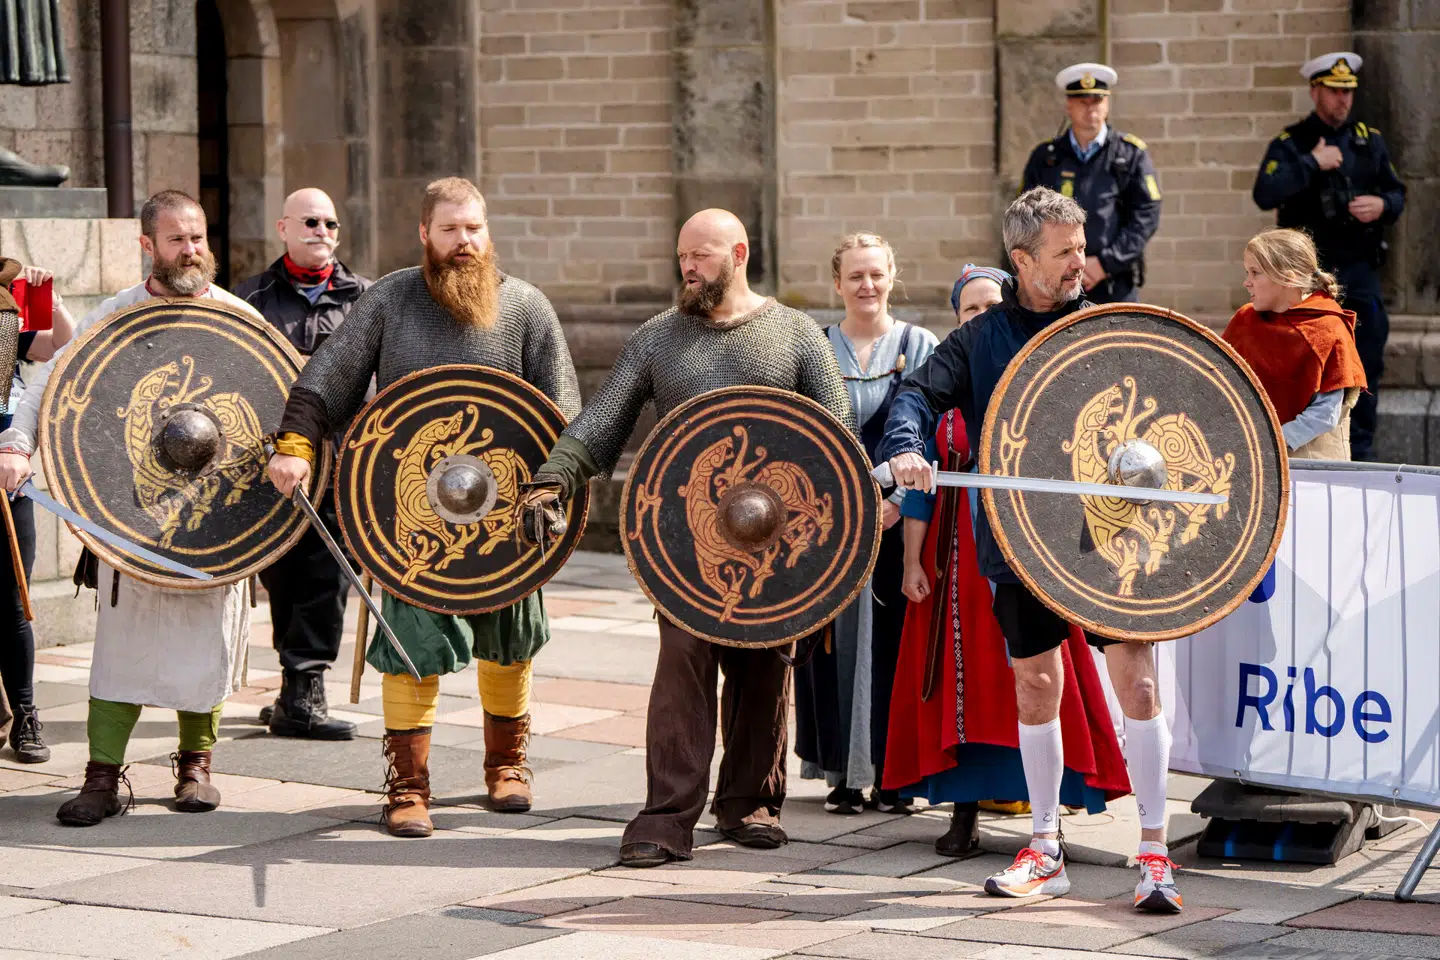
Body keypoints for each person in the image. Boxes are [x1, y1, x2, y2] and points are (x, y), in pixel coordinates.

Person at [879, 188, 1182, 912]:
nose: (1081, 263)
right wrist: (907, 450)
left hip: (1111, 535)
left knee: (1136, 682)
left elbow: (1173, 401)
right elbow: (916, 396)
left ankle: (1154, 852)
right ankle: (1046, 847)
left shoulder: (1109, 324)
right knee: (1037, 684)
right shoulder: (983, 338)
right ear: (1022, 260)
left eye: (1082, 248)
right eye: (1065, 253)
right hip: (1021, 538)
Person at [521, 208, 853, 868]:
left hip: (774, 540)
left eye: (700, 257)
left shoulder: (794, 337)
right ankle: (667, 816)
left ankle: (751, 803)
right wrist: (555, 475)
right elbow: (605, 420)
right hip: (686, 543)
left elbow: (836, 440)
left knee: (764, 672)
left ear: (739, 252)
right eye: (682, 259)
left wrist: (830, 552)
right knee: (682, 666)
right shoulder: (657, 338)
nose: (689, 269)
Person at [266, 177, 580, 838]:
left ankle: (507, 766)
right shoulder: (390, 300)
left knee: (511, 641)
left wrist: (555, 486)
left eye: (474, 229)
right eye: (450, 231)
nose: (464, 243)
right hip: (409, 514)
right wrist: (295, 444)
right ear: (424, 235)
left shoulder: (525, 307)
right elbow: (329, 378)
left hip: (507, 511)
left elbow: (564, 415)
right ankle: (408, 786)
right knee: (411, 644)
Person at [0, 190, 260, 825]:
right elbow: (50, 382)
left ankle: (196, 765)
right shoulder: (117, 315)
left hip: (209, 516)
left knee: (204, 648)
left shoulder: (237, 318)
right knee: (123, 649)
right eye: (177, 239)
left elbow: (283, 396)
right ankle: (102, 777)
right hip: (129, 515)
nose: (192, 250)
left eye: (198, 237)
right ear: (148, 246)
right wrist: (17, 443)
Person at [885, 265, 1130, 857]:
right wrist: (912, 562)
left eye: (988, 306)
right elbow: (920, 490)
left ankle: (1051, 817)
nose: (980, 317)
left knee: (1044, 674)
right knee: (964, 684)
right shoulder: (949, 395)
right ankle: (964, 811)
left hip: (1038, 541)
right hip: (961, 554)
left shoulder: (1041, 370)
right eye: (969, 309)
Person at [794, 234, 937, 816]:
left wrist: (898, 503)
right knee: (836, 649)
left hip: (903, 522)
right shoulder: (818, 346)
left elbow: (931, 427)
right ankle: (845, 774)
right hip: (834, 525)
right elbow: (803, 438)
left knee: (896, 652)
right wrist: (845, 512)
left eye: (876, 274)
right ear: (837, 283)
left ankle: (896, 773)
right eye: (855, 276)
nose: (867, 285)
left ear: (892, 276)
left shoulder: (919, 344)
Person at [236, 188, 372, 741]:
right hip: (271, 458)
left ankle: (306, 685)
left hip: (341, 457)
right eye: (311, 221)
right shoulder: (250, 297)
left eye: (331, 223)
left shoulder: (367, 297)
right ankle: (294, 686)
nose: (322, 230)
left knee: (326, 572)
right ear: (284, 228)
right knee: (280, 572)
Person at [1252, 52, 1405, 461]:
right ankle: (1299, 452)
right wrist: (1311, 164)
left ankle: (1362, 457)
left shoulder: (1367, 140)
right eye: (1335, 92)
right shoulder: (1292, 143)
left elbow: (1398, 193)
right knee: (1306, 373)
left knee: (1364, 371)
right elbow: (1265, 192)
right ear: (1315, 91)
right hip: (1304, 284)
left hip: (1358, 273)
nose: (1343, 101)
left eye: (1348, 92)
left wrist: (1382, 205)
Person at [0, 258, 77, 763]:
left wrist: (51, 295)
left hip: (6, 467)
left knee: (13, 601)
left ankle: (26, 715)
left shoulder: (4, 309)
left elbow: (57, 344)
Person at [1021, 63, 1161, 305]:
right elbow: (1026, 215)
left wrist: (1106, 263)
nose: (1091, 109)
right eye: (1082, 102)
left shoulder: (1130, 154)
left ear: (1107, 105)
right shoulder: (1046, 157)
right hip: (1056, 285)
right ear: (1068, 106)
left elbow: (1146, 215)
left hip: (1113, 283)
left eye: (1097, 101)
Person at [1225, 229, 1367, 461]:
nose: (1246, 282)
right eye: (1247, 272)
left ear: (1288, 279)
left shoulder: (1328, 328)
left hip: (1306, 467)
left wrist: (1271, 446)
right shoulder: (1245, 321)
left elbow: (1325, 414)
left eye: (1255, 273)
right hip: (1247, 460)